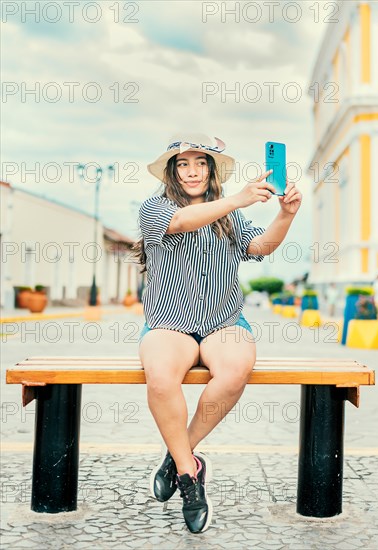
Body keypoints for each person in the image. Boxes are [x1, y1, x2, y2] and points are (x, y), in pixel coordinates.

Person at [132, 133, 302, 533]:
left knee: (236, 369)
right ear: (173, 172)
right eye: (184, 164)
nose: (193, 171)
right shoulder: (155, 208)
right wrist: (239, 198)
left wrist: (287, 215)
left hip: (223, 321)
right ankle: (191, 478)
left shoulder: (231, 216)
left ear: (211, 170)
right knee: (159, 378)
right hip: (168, 320)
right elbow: (183, 222)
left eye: (201, 163)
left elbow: (259, 247)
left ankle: (180, 457)